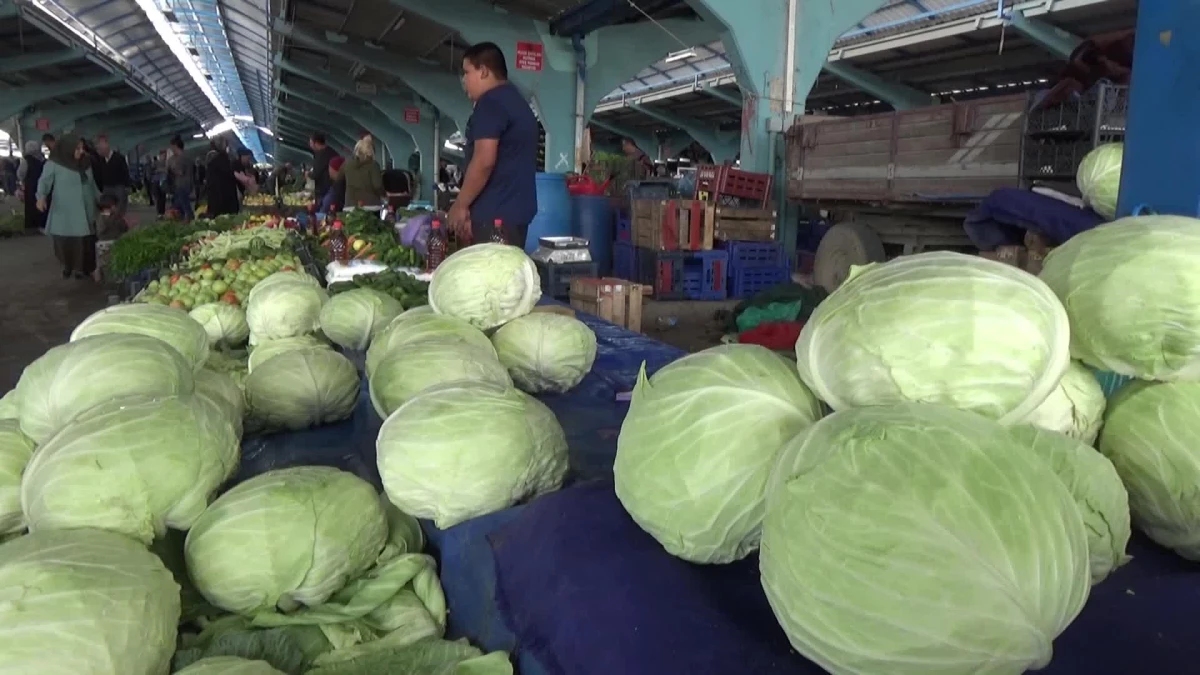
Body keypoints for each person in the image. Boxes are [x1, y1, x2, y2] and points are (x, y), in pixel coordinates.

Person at [449, 42, 539, 249]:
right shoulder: (517, 102)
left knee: (488, 279)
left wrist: (460, 205)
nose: (464, 80)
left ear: (483, 72)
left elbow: (484, 160)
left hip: (494, 219)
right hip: (514, 215)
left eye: (467, 72)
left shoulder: (490, 103)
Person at [35, 135, 98, 280]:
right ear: (68, 148)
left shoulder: (86, 162)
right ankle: (67, 265)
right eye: (78, 148)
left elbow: (92, 184)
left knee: (84, 241)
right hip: (65, 209)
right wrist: (41, 197)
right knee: (64, 241)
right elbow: (44, 182)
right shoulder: (55, 163)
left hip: (85, 208)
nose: (81, 151)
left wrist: (100, 200)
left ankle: (81, 268)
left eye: (82, 148)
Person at [93, 135, 132, 223]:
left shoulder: (119, 158)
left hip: (119, 187)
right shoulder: (100, 160)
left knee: (119, 207)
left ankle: (118, 224)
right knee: (106, 209)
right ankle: (109, 226)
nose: (98, 151)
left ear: (106, 145)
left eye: (99, 148)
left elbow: (125, 173)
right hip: (107, 187)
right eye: (97, 149)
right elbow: (99, 175)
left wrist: (127, 186)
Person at [342, 136, 385, 207]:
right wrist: (384, 194)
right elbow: (377, 185)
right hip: (371, 205)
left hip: (350, 205)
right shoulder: (373, 165)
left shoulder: (348, 165)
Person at [204, 138, 240, 217]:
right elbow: (230, 174)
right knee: (225, 217)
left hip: (215, 196)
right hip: (223, 198)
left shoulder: (212, 160)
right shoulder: (222, 159)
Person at [18, 140, 46, 233]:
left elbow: (20, 174)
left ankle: (31, 227)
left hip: (30, 186)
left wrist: (22, 182)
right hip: (42, 185)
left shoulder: (26, 161)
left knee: (31, 206)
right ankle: (42, 225)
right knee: (41, 204)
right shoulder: (42, 159)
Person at [166, 136, 194, 221]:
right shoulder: (186, 156)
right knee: (180, 204)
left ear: (175, 146)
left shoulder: (181, 158)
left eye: (171, 146)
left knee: (184, 204)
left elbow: (180, 172)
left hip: (182, 184)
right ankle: (181, 218)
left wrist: (170, 169)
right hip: (185, 183)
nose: (171, 148)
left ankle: (188, 218)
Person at [309, 132, 338, 207]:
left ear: (316, 143)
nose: (310, 145)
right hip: (334, 188)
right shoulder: (332, 152)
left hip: (324, 190)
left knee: (322, 212)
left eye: (311, 143)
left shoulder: (321, 155)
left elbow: (315, 174)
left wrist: (308, 174)